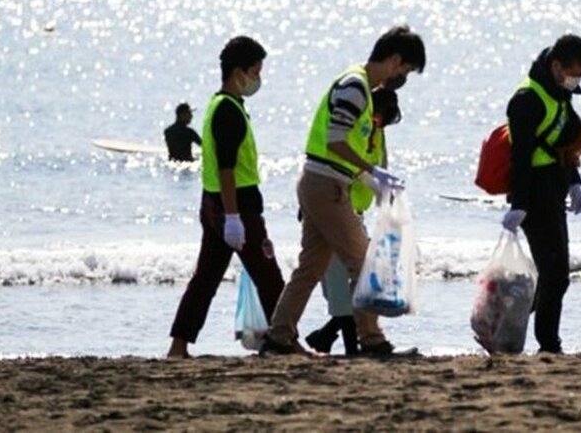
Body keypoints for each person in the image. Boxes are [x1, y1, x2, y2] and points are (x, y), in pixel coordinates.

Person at [260, 25, 426, 355]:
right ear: (394, 60)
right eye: (405, 69)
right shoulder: (356, 87)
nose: (402, 77)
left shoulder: (358, 85)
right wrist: (371, 170)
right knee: (363, 262)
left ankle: (278, 336)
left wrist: (369, 177)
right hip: (327, 185)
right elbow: (336, 141)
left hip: (321, 183)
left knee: (310, 267)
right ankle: (372, 339)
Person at [167, 36, 285, 359]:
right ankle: (286, 341)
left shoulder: (218, 105)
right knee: (269, 274)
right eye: (256, 71)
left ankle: (179, 345)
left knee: (205, 279)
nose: (258, 79)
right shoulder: (228, 111)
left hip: (213, 205)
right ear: (238, 72)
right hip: (236, 206)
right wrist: (233, 218)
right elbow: (227, 168)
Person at [500, 34, 581, 354]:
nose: (576, 80)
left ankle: (504, 323)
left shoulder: (559, 94)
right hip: (533, 193)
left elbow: (563, 145)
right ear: (556, 66)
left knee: (552, 275)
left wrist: (574, 182)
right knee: (556, 275)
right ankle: (548, 344)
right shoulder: (527, 99)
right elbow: (522, 156)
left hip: (553, 187)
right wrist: (519, 205)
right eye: (573, 74)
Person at [304, 86, 402, 355]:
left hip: (353, 214)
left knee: (354, 280)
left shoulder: (377, 133)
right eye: (377, 117)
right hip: (333, 208)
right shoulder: (353, 130)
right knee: (343, 283)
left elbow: (380, 165)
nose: (378, 124)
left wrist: (386, 194)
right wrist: (371, 179)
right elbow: (337, 164)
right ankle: (353, 345)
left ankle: (328, 336)